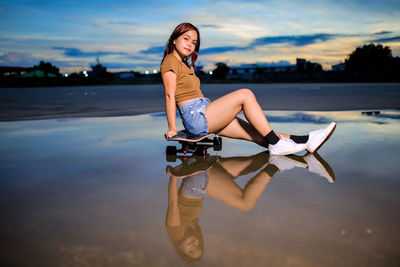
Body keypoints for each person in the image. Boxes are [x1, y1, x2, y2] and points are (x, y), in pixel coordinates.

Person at [161, 22, 336, 156]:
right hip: (196, 116)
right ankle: (277, 143)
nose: (190, 45)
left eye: (194, 42)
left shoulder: (182, 64)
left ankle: (306, 140)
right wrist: (172, 129)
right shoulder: (170, 60)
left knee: (257, 134)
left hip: (204, 113)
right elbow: (170, 95)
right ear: (174, 39)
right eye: (186, 39)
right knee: (245, 94)